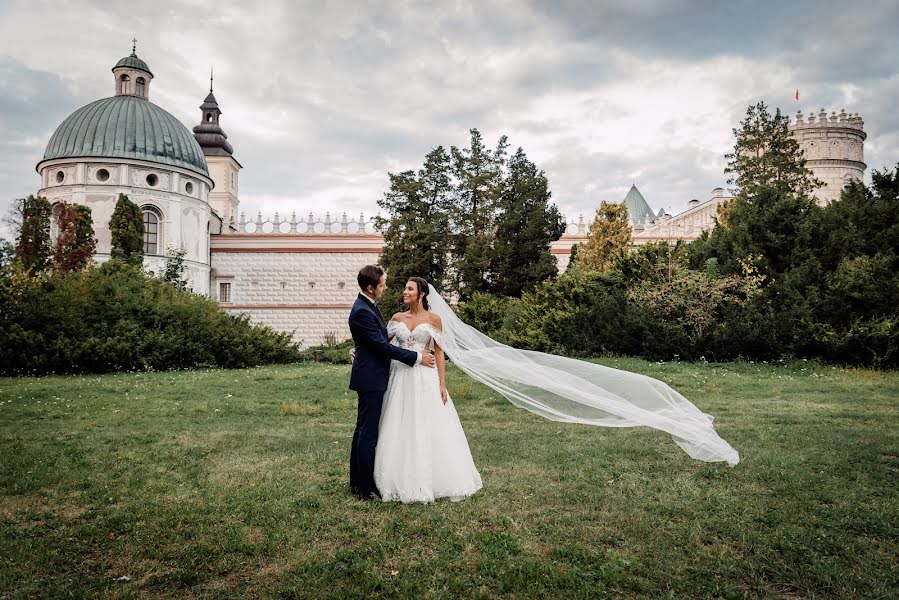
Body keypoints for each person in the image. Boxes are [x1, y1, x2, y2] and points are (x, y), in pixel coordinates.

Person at [373, 277, 482, 503]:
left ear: (421, 293)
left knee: (428, 423)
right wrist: (358, 350)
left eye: (409, 289)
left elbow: (439, 352)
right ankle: (396, 476)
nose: (405, 292)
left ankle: (436, 478)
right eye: (405, 288)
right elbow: (380, 343)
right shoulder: (397, 318)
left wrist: (442, 384)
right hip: (401, 378)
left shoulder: (434, 319)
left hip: (425, 378)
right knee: (399, 423)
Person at [347, 265, 435, 500]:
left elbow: (375, 339)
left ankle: (357, 481)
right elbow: (382, 346)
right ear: (370, 287)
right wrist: (417, 357)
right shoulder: (362, 311)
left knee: (363, 430)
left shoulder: (366, 307)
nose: (385, 288)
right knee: (367, 432)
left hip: (372, 375)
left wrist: (358, 348)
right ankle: (365, 489)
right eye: (382, 284)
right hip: (371, 378)